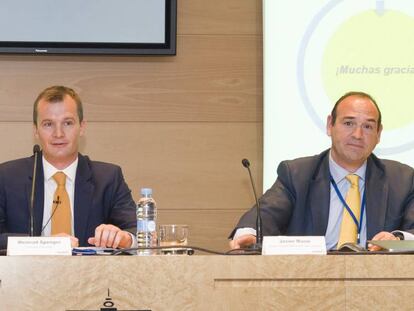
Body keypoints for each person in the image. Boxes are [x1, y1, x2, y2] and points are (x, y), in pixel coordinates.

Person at [230, 91, 414, 251]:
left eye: (367, 126)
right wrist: (248, 235)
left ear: (379, 134)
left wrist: (397, 239)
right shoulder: (297, 174)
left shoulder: (402, 179)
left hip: (376, 281)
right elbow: (265, 216)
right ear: (330, 125)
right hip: (312, 278)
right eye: (349, 123)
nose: (358, 135)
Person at [0, 85, 136, 249]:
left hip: (91, 274)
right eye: (48, 124)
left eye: (68, 123)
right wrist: (43, 244)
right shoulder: (7, 177)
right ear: (36, 130)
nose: (58, 134)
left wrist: (124, 238)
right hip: (26, 273)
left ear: (82, 127)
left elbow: (137, 231)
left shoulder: (108, 178)